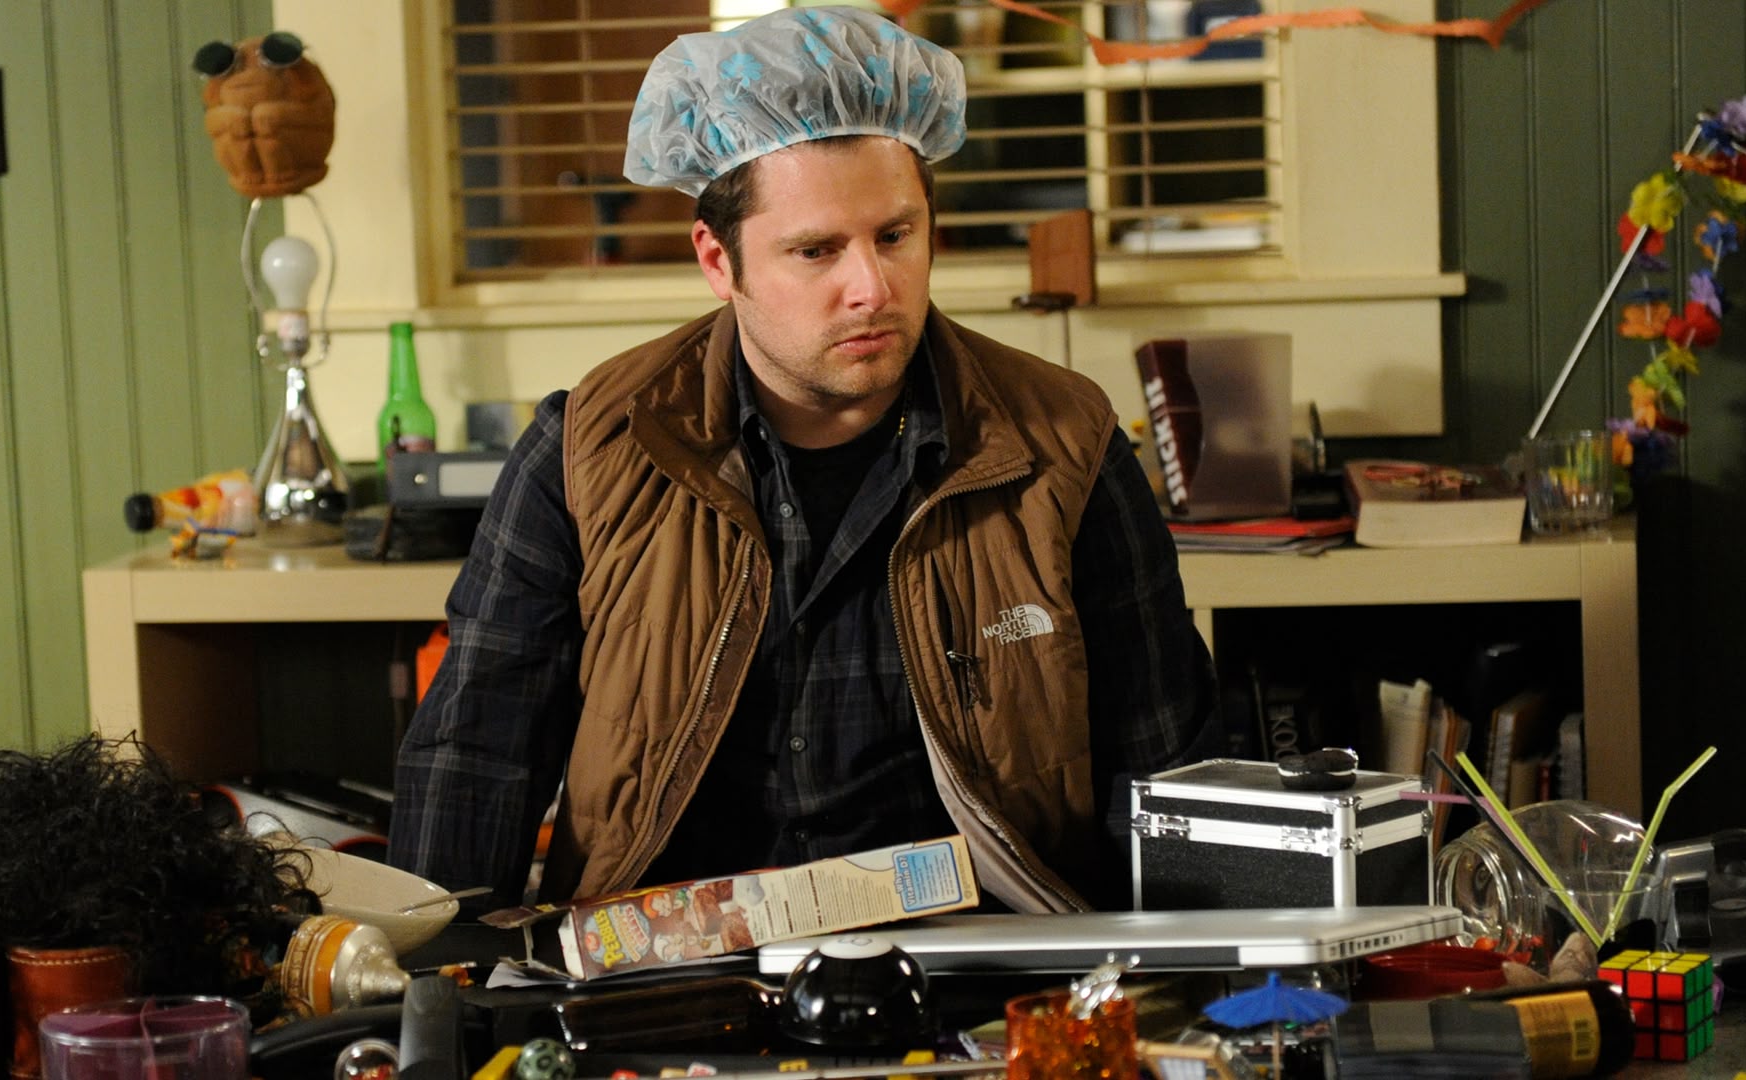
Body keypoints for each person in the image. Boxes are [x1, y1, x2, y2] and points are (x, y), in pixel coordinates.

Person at [390, 6, 1217, 914]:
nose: (871, 287)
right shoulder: (590, 451)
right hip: (673, 971)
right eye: (816, 250)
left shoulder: (1066, 443)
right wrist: (438, 994)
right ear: (718, 259)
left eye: (895, 236)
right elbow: (477, 754)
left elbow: (1166, 769)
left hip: (975, 965)